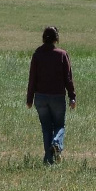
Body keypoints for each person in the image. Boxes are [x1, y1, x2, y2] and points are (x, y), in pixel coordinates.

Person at [27, 26, 76, 164]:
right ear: (56, 38)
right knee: (60, 126)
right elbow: (68, 78)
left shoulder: (37, 54)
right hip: (57, 97)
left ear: (43, 38)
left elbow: (32, 78)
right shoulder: (61, 54)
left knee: (46, 127)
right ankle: (56, 144)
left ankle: (48, 159)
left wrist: (29, 99)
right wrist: (72, 96)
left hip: (40, 97)